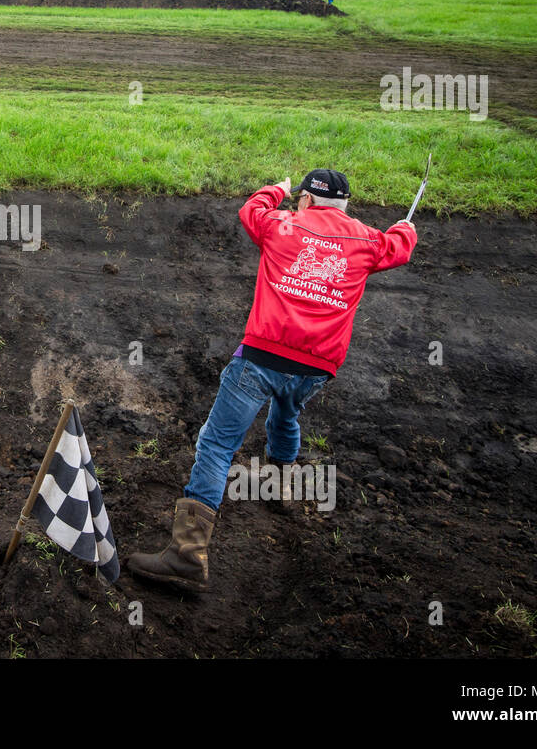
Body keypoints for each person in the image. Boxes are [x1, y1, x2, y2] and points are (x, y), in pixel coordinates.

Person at [127, 169, 418, 591]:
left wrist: (276, 187)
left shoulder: (282, 223)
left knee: (216, 444)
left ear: (304, 201)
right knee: (285, 413)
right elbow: (400, 247)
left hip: (261, 358)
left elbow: (252, 209)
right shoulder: (370, 241)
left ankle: (187, 554)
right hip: (317, 367)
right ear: (346, 205)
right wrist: (405, 227)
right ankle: (281, 484)